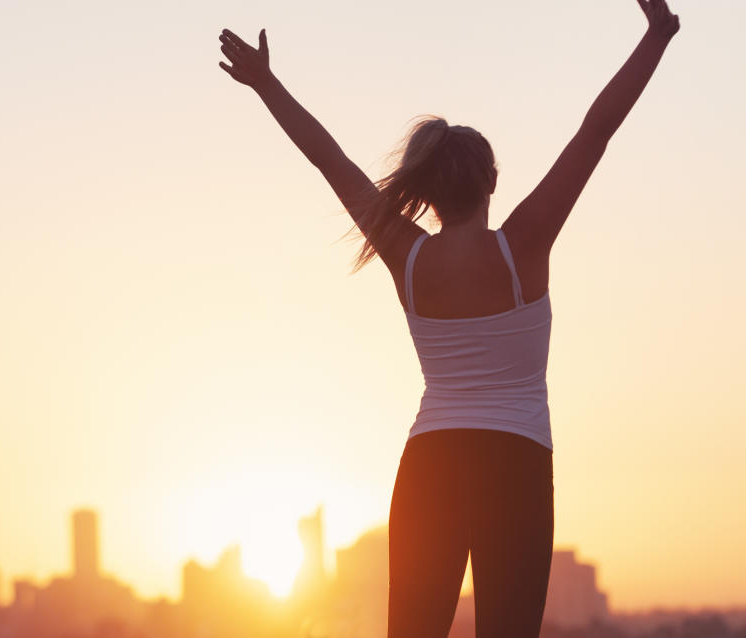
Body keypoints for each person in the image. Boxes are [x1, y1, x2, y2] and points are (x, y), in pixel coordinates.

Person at [218, 1, 679, 635]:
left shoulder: (407, 256)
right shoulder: (523, 246)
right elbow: (594, 133)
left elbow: (332, 163)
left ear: (427, 193)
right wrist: (658, 36)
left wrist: (268, 85)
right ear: (492, 180)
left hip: (429, 463)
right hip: (515, 464)